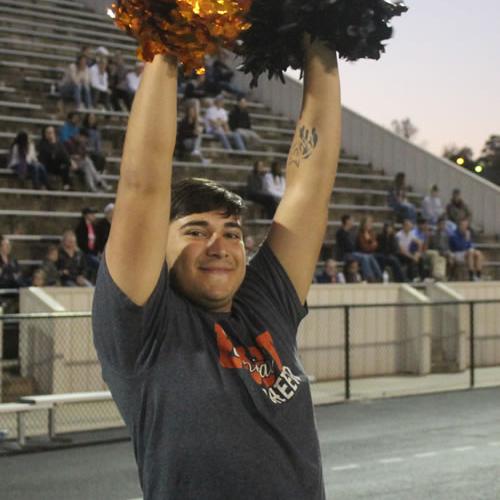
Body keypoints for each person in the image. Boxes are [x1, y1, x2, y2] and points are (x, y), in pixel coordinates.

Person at [92, 36, 341, 498]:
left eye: (230, 231)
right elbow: (143, 182)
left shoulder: (265, 306)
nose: (219, 244)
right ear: (156, 246)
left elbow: (311, 183)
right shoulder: (142, 328)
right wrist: (166, 37)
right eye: (194, 231)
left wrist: (322, 39)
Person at [335, 214, 381, 282]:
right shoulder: (341, 233)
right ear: (347, 221)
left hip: (354, 253)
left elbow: (375, 245)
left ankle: (379, 276)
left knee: (370, 256)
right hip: (346, 254)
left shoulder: (352, 232)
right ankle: (369, 278)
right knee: (364, 257)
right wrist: (370, 245)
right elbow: (348, 247)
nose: (353, 222)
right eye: (352, 220)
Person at [38, 125, 74, 190]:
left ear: (54, 133)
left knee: (65, 166)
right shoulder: (42, 144)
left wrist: (71, 162)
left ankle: (66, 187)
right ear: (45, 134)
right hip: (47, 166)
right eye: (47, 133)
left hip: (57, 166)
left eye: (51, 132)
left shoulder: (59, 144)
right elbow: (47, 155)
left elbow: (65, 154)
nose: (49, 134)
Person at [75, 207, 101, 280]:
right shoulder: (80, 227)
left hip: (93, 253)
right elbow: (81, 243)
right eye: (91, 214)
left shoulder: (94, 226)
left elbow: (97, 241)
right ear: (86, 215)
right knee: (99, 265)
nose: (94, 216)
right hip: (85, 253)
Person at [355, 216, 383, 281]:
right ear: (364, 224)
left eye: (371, 223)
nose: (370, 224)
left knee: (377, 257)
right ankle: (370, 278)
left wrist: (370, 242)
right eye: (369, 222)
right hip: (362, 253)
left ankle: (379, 277)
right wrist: (371, 244)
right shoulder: (360, 234)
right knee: (368, 257)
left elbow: (376, 246)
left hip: (371, 253)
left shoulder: (372, 233)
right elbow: (364, 248)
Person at [429, 216, 455, 280]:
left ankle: (449, 275)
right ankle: (438, 276)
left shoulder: (446, 234)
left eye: (443, 224)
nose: (442, 226)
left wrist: (448, 251)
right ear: (437, 225)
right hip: (436, 251)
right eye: (441, 224)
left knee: (451, 256)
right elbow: (432, 246)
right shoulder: (432, 234)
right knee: (439, 255)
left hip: (445, 251)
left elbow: (448, 246)